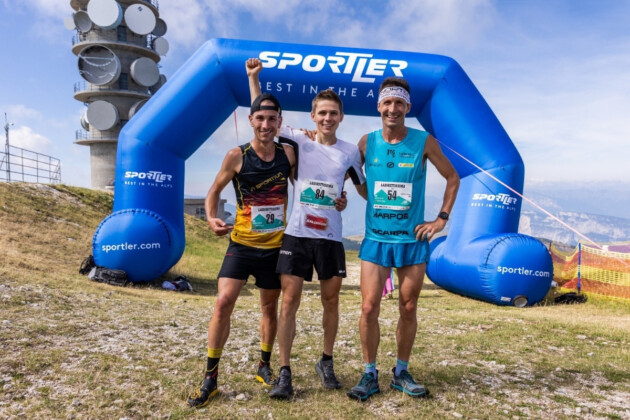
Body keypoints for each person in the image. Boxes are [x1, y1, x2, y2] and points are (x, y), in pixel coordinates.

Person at [246, 58, 366, 399]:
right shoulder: (298, 137)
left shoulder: (349, 152)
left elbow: (362, 188)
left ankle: (326, 361)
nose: (327, 118)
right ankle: (285, 372)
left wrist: (379, 199)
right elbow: (262, 114)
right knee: (290, 302)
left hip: (330, 237)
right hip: (297, 234)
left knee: (331, 301)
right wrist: (254, 78)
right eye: (322, 113)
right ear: (313, 116)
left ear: (341, 117)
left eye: (333, 113)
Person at [346, 77, 460, 401]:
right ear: (379, 106)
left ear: (407, 107)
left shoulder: (424, 141)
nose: (392, 109)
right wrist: (361, 194)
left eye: (399, 103)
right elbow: (352, 174)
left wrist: (441, 219)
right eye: (387, 102)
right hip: (376, 239)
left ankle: (401, 372)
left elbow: (453, 177)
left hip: (412, 241)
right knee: (369, 307)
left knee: (408, 307)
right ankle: (369, 374)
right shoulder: (366, 143)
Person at [187, 91, 296, 408]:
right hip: (242, 244)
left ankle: (264, 366)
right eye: (260, 118)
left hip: (274, 247)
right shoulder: (236, 155)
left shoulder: (288, 154)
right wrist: (211, 217)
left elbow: (307, 184)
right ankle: (210, 378)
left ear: (279, 122)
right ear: (251, 120)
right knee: (223, 302)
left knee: (269, 309)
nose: (265, 125)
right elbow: (214, 190)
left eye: (271, 119)